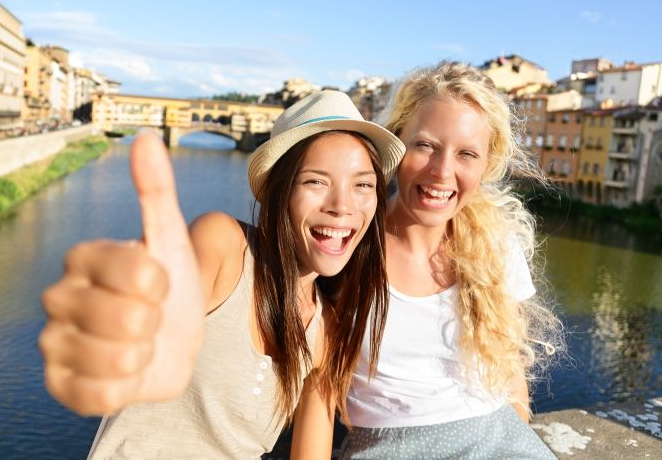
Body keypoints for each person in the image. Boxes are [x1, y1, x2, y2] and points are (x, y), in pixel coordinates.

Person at [38, 90, 405, 458]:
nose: (342, 206)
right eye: (316, 182)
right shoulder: (224, 245)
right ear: (278, 191)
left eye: (362, 185)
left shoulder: (324, 331)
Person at [292, 62, 564, 459]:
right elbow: (319, 391)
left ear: (486, 164)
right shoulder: (347, 245)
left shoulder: (495, 244)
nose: (442, 172)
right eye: (426, 146)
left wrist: (517, 442)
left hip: (498, 442)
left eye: (467, 154)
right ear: (396, 144)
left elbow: (511, 371)